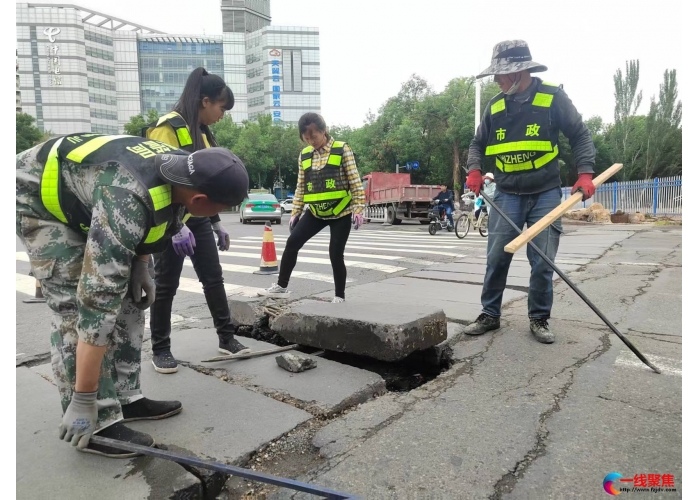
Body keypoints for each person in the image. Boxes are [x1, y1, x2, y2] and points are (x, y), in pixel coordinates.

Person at [16, 133, 248, 457]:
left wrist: (140, 265)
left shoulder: (184, 171)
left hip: (92, 196)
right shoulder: (127, 193)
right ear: (200, 201)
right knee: (76, 306)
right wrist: (83, 398)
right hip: (36, 198)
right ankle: (93, 421)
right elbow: (96, 304)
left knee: (131, 299)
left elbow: (156, 222)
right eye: (218, 210)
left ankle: (126, 398)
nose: (214, 216)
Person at [464, 40, 596, 344]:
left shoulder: (553, 98)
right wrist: (474, 169)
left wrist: (585, 173)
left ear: (518, 72)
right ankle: (490, 314)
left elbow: (580, 135)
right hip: (507, 193)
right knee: (497, 257)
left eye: (500, 74)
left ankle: (539, 318)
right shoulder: (495, 105)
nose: (496, 80)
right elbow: (476, 144)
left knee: (542, 260)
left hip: (545, 193)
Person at [142, 68, 251, 374]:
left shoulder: (201, 132)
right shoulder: (168, 127)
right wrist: (176, 226)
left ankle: (226, 338)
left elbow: (206, 184)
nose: (222, 115)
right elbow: (156, 178)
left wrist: (215, 221)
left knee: (213, 278)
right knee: (166, 285)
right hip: (169, 222)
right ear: (205, 101)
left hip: (197, 219)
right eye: (221, 107)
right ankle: (160, 348)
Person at [258, 113, 365, 303]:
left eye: (313, 137)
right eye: (306, 139)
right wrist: (295, 212)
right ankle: (281, 287)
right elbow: (301, 186)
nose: (311, 141)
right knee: (292, 243)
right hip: (315, 212)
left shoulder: (342, 149)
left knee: (335, 253)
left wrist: (358, 208)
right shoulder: (305, 155)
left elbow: (355, 181)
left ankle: (339, 296)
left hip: (341, 211)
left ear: (324, 131)